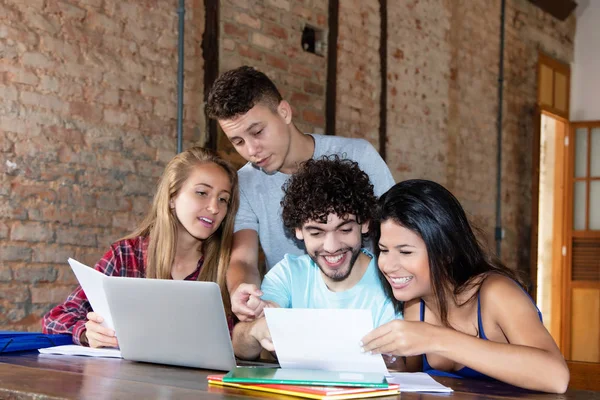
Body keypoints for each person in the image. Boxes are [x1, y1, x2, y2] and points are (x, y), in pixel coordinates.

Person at [206, 65, 395, 321]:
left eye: (257, 132)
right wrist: (242, 290)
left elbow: (399, 234)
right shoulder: (245, 182)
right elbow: (243, 260)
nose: (251, 150)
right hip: (290, 322)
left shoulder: (360, 156)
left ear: (284, 112)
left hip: (371, 313)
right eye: (237, 141)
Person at [360, 180, 569, 393]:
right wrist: (391, 364)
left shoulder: (496, 293)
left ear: (446, 252)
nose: (388, 265)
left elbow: (556, 377)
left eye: (405, 252)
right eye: (384, 250)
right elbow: (413, 382)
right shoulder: (416, 305)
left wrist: (433, 337)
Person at [42, 147, 239, 348]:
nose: (215, 208)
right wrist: (86, 332)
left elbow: (236, 341)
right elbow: (55, 319)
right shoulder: (126, 255)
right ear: (172, 197)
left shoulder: (228, 267)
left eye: (223, 199)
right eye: (202, 193)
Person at [231, 156, 397, 360]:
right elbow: (240, 345)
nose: (331, 247)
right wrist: (258, 329)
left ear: (364, 224)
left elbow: (402, 365)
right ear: (299, 230)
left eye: (344, 229)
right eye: (316, 233)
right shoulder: (288, 274)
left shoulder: (390, 280)